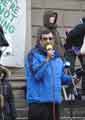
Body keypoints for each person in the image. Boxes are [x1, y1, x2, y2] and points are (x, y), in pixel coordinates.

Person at [25, 26, 79, 120]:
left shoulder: (58, 58)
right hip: (39, 104)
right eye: (45, 39)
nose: (48, 41)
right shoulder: (33, 55)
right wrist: (47, 60)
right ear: (39, 41)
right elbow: (37, 75)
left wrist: (73, 79)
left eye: (50, 38)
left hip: (54, 103)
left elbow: (60, 78)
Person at [64, 17, 85, 99]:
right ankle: (70, 91)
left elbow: (70, 35)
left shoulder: (81, 26)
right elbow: (70, 36)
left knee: (73, 69)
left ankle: (81, 90)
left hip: (79, 50)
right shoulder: (81, 27)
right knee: (69, 68)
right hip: (71, 49)